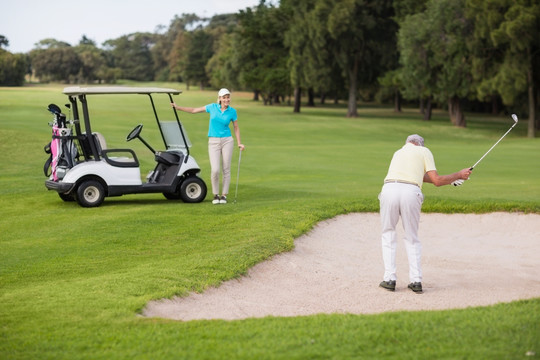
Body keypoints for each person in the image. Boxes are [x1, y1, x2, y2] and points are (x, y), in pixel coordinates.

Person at [378, 134, 471, 293]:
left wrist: (451, 179)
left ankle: (389, 279)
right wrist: (458, 175)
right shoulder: (424, 151)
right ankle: (416, 281)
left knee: (388, 233)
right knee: (411, 237)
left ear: (407, 143)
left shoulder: (398, 152)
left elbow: (418, 176)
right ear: (420, 144)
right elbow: (436, 180)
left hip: (389, 190)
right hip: (410, 193)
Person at [171, 88, 245, 204]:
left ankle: (224, 195)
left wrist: (239, 142)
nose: (227, 99)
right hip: (213, 141)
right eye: (224, 97)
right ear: (219, 98)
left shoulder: (232, 111)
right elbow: (194, 110)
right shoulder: (212, 107)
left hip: (227, 141)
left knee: (226, 169)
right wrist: (178, 107)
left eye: (228, 97)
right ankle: (216, 195)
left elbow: (236, 127)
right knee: (215, 170)